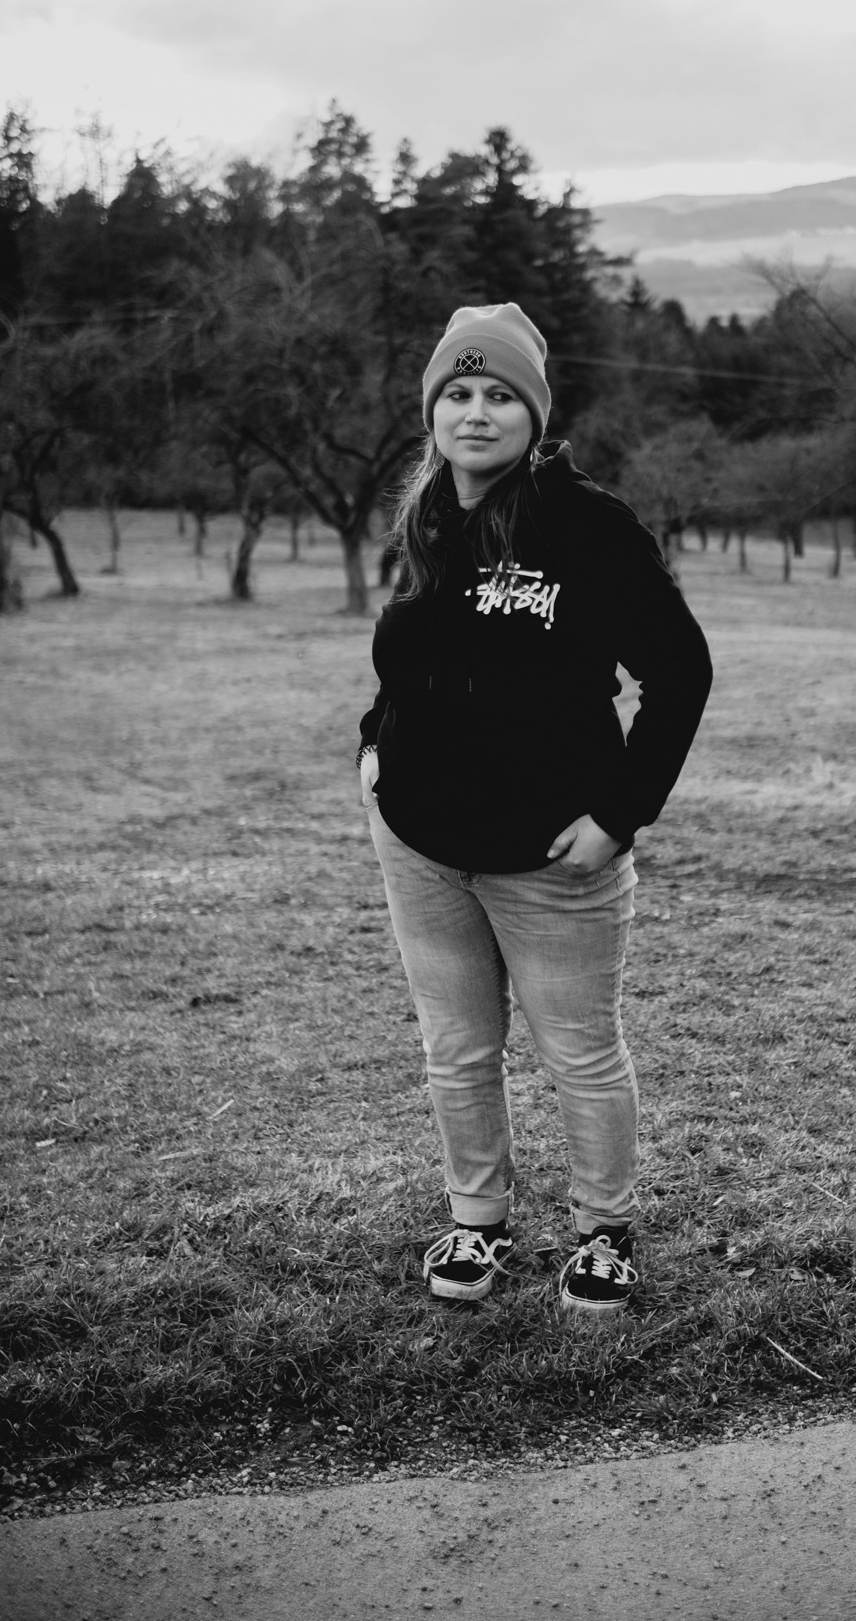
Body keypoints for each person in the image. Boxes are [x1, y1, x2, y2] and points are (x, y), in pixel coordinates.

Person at [357, 302, 712, 1314]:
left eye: (498, 395)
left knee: (578, 1053)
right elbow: (411, 663)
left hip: (550, 855)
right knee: (456, 1049)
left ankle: (604, 1234)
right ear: (433, 410)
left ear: (534, 413)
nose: (475, 413)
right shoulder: (431, 515)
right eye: (457, 393)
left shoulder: (586, 526)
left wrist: (619, 815)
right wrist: (376, 752)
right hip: (420, 842)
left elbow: (679, 672)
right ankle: (477, 1221)